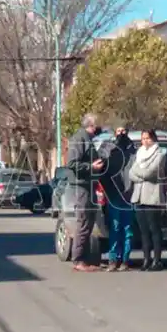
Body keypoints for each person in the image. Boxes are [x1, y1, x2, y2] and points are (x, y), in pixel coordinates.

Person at [66, 113, 105, 272]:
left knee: (89, 222)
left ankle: (85, 258)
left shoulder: (88, 138)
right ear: (92, 125)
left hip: (89, 185)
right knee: (83, 222)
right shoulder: (79, 138)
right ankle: (78, 260)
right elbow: (72, 163)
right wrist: (92, 167)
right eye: (97, 124)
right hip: (81, 186)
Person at [129, 129, 167, 271]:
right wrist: (139, 175)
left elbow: (151, 172)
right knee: (143, 231)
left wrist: (139, 175)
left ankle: (157, 260)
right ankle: (146, 259)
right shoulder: (139, 154)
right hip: (139, 196)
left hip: (153, 196)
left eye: (148, 138)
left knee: (155, 229)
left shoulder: (160, 154)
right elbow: (131, 173)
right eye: (143, 139)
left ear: (153, 139)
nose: (145, 141)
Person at [100, 127, 137, 271]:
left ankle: (125, 260)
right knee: (115, 228)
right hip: (113, 194)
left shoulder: (133, 150)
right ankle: (113, 259)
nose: (121, 134)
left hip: (128, 196)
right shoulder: (108, 147)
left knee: (128, 229)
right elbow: (102, 165)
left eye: (124, 131)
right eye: (119, 131)